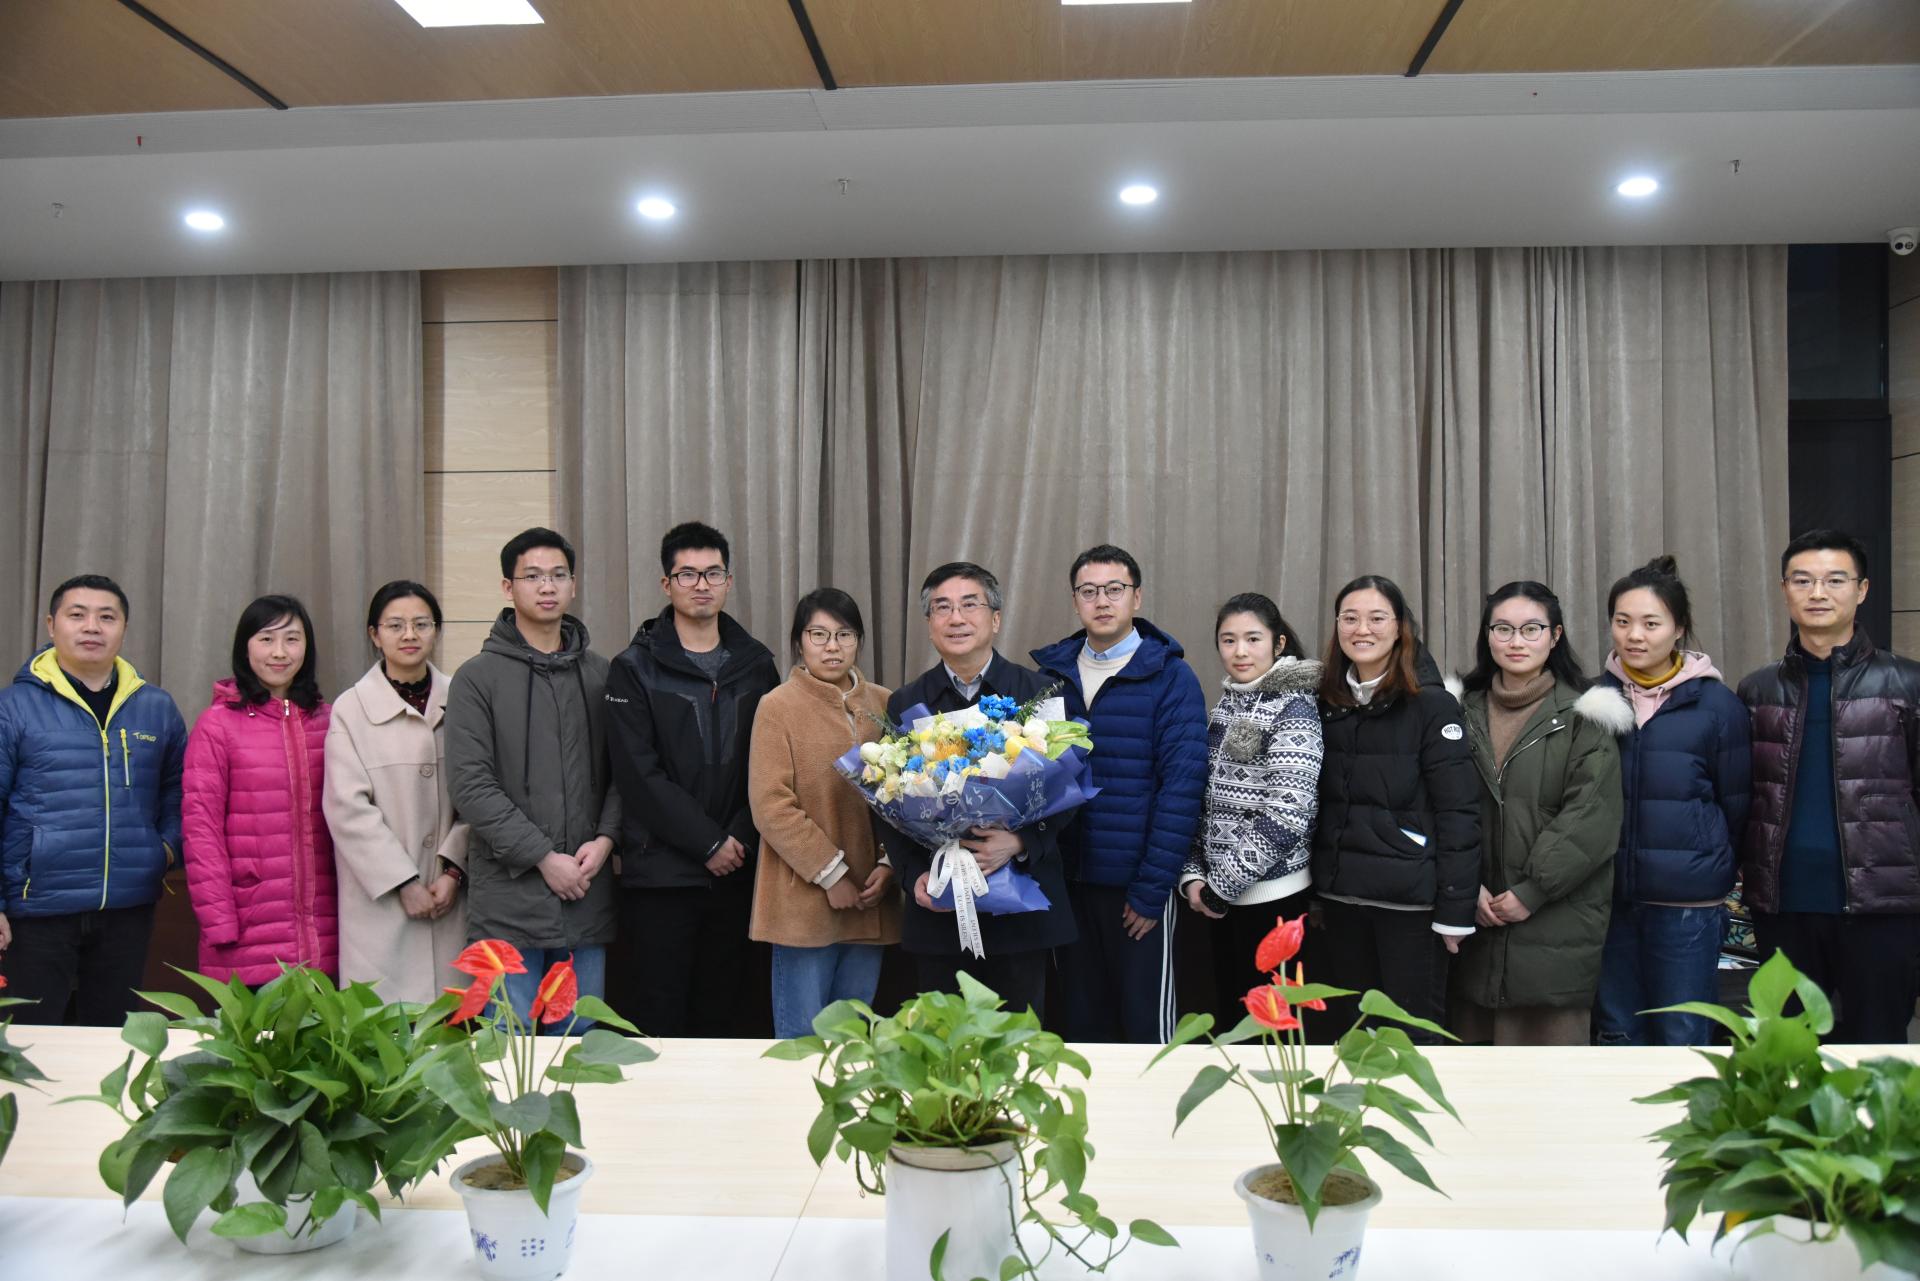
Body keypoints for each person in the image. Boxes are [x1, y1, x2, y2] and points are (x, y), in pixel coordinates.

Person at [1739, 529, 1920, 1044]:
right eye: (1803, 580)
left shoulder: (1907, 684)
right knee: (1787, 1054)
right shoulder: (1757, 689)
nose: (1817, 592)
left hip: (1882, 906)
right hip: (1783, 906)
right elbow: (1745, 796)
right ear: (1784, 590)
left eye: (1834, 580)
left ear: (1861, 590)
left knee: (1878, 1053)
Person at [878, 562, 1077, 1022]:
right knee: (940, 1045)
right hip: (939, 906)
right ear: (929, 623)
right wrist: (913, 876)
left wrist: (1021, 841)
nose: (957, 618)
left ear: (996, 618)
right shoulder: (907, 702)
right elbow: (886, 803)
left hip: (1021, 908)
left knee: (1019, 1043)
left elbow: (1066, 792)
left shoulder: (1040, 693)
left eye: (970, 605)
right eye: (942, 608)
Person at [605, 521, 779, 1037]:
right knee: (659, 1021)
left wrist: (737, 839)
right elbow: (638, 774)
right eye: (687, 574)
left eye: (713, 573)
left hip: (739, 872)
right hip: (661, 875)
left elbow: (770, 766)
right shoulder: (633, 667)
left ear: (728, 581)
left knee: (728, 1019)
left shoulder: (757, 665)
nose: (701, 585)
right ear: (667, 584)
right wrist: (708, 843)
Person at [1032, 544, 1207, 1044]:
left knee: (1146, 1032)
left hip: (1136, 888)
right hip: (1068, 886)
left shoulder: (1170, 676)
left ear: (1137, 597)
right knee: (1080, 1028)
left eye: (1114, 589)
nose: (1102, 601)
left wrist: (1151, 890)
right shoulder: (1051, 678)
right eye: (1089, 591)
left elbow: (1182, 789)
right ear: (1075, 601)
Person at [445, 528, 620, 1028]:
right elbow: (471, 786)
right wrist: (543, 858)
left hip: (586, 894)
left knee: (577, 1046)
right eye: (533, 576)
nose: (547, 586)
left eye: (558, 575)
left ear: (573, 585)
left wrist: (606, 840)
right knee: (506, 1045)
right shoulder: (476, 678)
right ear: (508, 587)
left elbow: (625, 773)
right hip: (508, 904)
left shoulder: (603, 674)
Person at [0, 575, 187, 1024]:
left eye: (107, 617)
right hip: (37, 907)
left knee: (111, 1039)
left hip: (127, 907)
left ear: (123, 628)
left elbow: (179, 791)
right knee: (33, 1043)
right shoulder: (14, 707)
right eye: (77, 615)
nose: (92, 627)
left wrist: (162, 851)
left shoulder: (156, 707)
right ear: (51, 625)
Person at [1451, 581, 1628, 1045]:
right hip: (1473, 926)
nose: (1516, 641)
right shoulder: (1457, 711)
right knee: (1470, 1074)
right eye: (1503, 629)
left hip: (1557, 924)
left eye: (1531, 629)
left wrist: (1532, 890)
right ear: (1487, 636)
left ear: (1555, 636)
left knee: (1550, 1075)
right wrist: (1464, 885)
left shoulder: (1585, 715)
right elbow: (1440, 807)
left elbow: (1591, 817)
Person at [1311, 575, 1479, 1041]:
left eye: (1376, 618)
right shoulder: (1326, 702)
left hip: (1410, 906)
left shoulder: (1432, 705)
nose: (1362, 629)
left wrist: (1456, 909)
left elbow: (1459, 813)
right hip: (1340, 902)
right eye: (1349, 618)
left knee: (1411, 1041)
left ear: (1401, 626)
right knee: (1350, 1039)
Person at [1592, 555, 1750, 1046]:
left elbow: (1737, 804)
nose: (1634, 636)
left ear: (1678, 628)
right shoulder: (1593, 700)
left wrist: (1712, 869)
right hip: (1608, 898)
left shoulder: (1717, 706)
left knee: (1683, 1034)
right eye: (1622, 622)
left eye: (1650, 623)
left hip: (1688, 903)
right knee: (1617, 1032)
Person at [747, 589, 900, 1038]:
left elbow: (910, 794)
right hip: (804, 900)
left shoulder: (885, 703)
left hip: (872, 898)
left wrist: (889, 864)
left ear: (859, 641)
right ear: (799, 642)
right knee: (802, 1042)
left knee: (855, 1042)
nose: (832, 646)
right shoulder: (777, 706)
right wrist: (832, 875)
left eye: (844, 634)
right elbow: (771, 805)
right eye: (819, 635)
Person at [324, 580, 471, 1004]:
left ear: (436, 631)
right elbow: (348, 810)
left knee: (454, 1022)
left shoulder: (464, 699)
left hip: (452, 898)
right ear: (375, 634)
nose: (410, 635)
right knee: (386, 1025)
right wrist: (403, 882)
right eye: (395, 625)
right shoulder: (350, 709)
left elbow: (479, 793)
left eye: (421, 624)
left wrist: (453, 871)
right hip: (382, 905)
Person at [1180, 592, 1323, 1016]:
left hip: (1272, 897)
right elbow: (1204, 799)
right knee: (1233, 1018)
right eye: (1229, 640)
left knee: (1271, 1028)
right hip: (1218, 898)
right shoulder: (1226, 704)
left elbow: (1288, 813)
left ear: (1278, 644)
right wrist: (1193, 872)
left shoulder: (1295, 708)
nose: (1240, 651)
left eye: (1253, 639)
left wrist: (1221, 886)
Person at [183, 595, 336, 984]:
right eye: (266, 639)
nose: (280, 652)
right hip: (248, 930)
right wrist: (219, 922)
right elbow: (201, 831)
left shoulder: (330, 720)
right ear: (245, 647)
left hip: (328, 934)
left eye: (292, 639)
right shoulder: (217, 725)